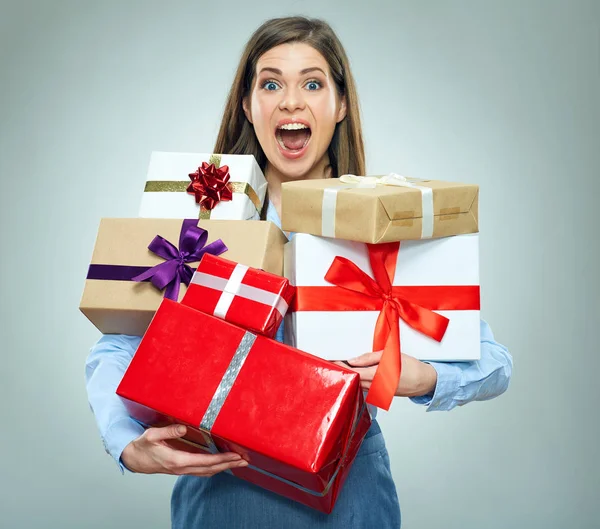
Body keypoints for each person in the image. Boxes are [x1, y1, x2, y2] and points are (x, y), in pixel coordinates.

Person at [85, 16, 513, 528]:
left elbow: (492, 359)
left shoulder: (382, 222)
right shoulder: (199, 223)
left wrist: (423, 378)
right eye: (271, 84)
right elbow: (117, 346)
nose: (291, 102)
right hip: (221, 485)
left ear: (339, 106)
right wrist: (125, 442)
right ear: (249, 105)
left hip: (347, 489)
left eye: (313, 83)